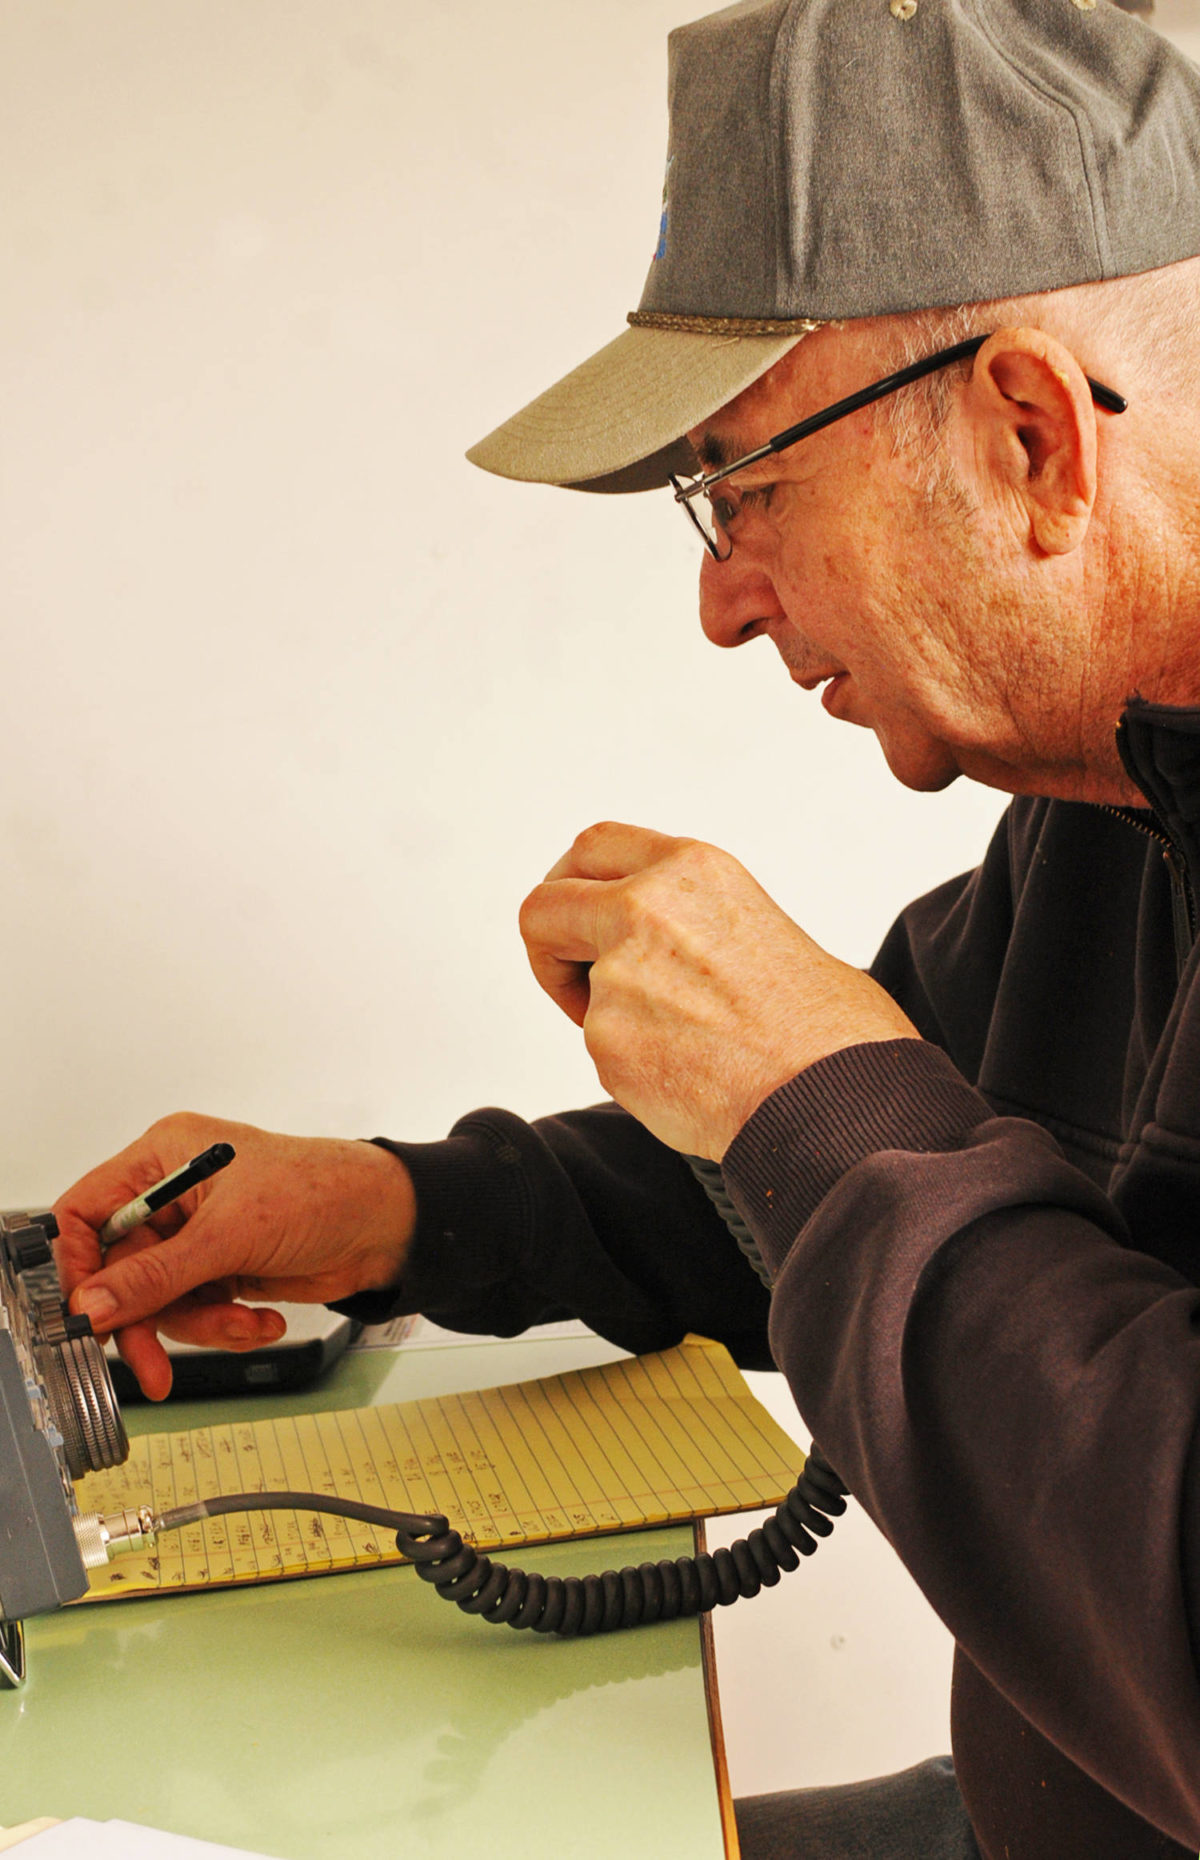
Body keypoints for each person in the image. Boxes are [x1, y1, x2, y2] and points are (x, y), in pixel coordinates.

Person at [49, 2, 1200, 1855]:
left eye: (742, 488)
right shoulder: (1114, 816)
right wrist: (408, 1211)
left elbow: (876, 1163)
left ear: (1032, 435)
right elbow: (839, 1194)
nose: (724, 606)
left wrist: (826, 1088)